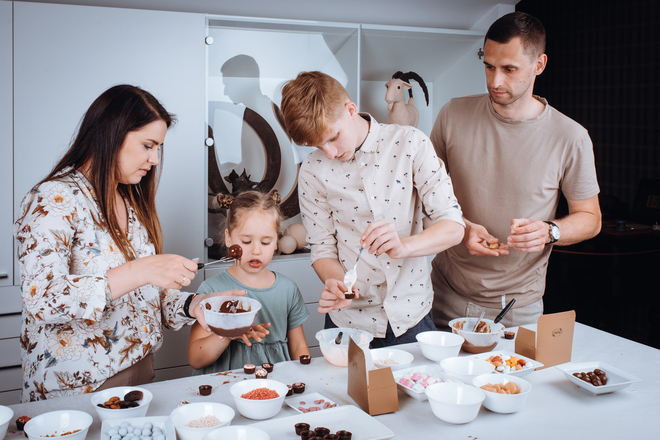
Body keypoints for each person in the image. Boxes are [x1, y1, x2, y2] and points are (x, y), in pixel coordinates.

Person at [12, 85, 251, 402]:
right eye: (147, 145)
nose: (154, 159)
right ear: (111, 134)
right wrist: (140, 270)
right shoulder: (53, 200)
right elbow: (41, 298)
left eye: (159, 148)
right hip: (79, 388)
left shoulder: (130, 202)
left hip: (141, 373)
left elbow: (143, 296)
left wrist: (194, 305)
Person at [430, 11, 602, 330]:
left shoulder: (571, 136)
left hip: (517, 309)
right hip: (442, 295)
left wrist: (551, 230)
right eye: (489, 66)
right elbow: (422, 195)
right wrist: (461, 227)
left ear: (539, 65)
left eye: (509, 69)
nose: (495, 81)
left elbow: (591, 219)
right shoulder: (452, 114)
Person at [280, 71, 465, 348]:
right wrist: (337, 284)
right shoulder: (312, 170)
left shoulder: (411, 143)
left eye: (332, 138)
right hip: (349, 325)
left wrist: (403, 246)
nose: (329, 153)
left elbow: (453, 226)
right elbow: (322, 250)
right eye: (316, 146)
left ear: (350, 110)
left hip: (411, 318)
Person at [188, 190, 310, 373]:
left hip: (275, 384)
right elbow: (196, 359)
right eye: (246, 241)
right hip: (224, 388)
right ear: (229, 238)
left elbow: (299, 346)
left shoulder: (288, 289)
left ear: (277, 240)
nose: (256, 251)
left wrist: (307, 377)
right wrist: (228, 333)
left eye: (266, 242)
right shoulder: (212, 290)